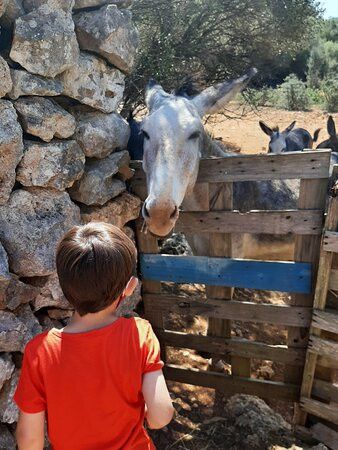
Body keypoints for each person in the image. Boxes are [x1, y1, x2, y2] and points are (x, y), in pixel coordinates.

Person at [14, 222, 174, 450]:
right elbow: (161, 416)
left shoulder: (39, 351)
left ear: (63, 286)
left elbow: (30, 440)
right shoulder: (139, 334)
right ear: (130, 287)